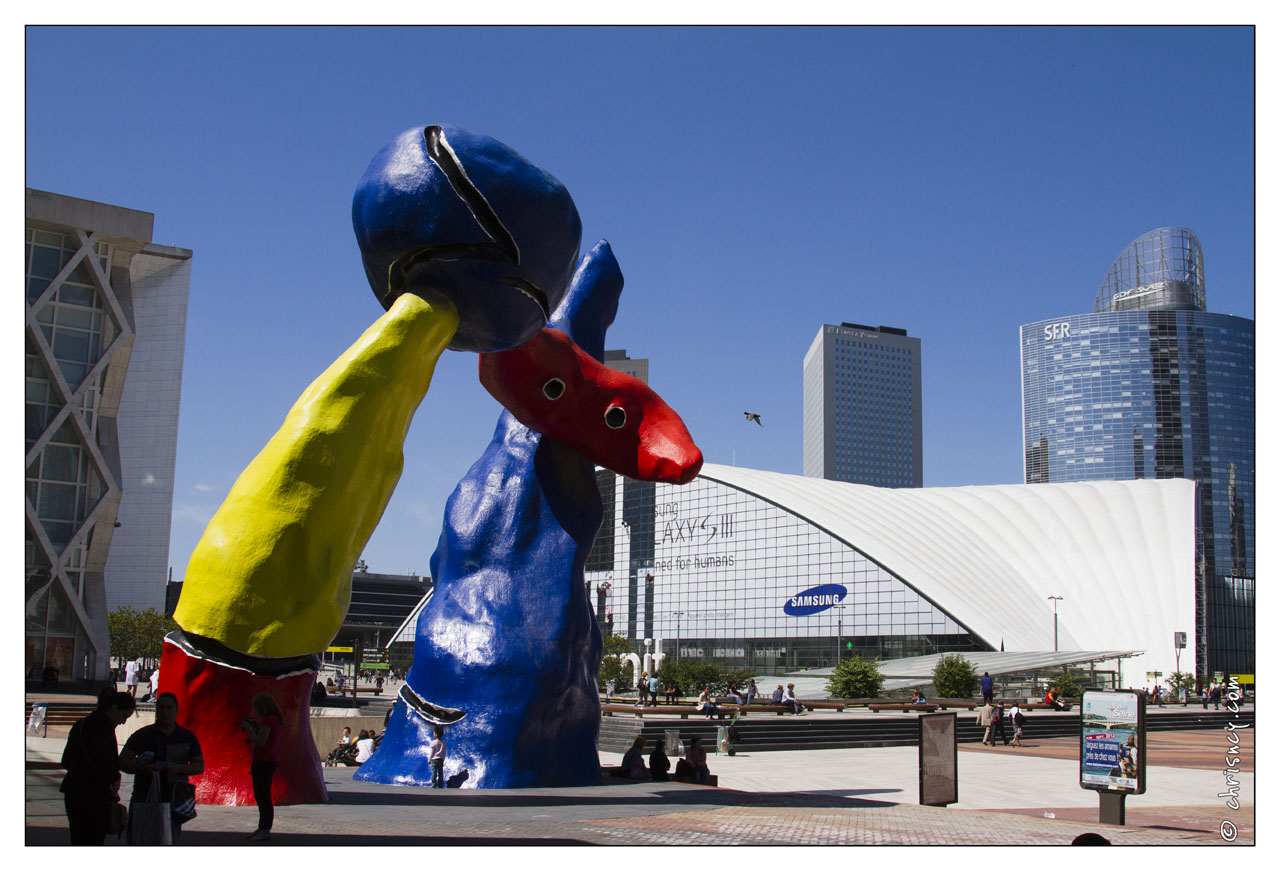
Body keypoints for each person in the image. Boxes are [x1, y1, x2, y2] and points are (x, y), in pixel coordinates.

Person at [119, 692, 204, 844]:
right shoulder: (143, 735)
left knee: (169, 840)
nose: (165, 712)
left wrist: (178, 768)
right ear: (156, 710)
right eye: (161, 708)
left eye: (169, 708)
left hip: (174, 800)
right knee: (139, 840)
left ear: (176, 710)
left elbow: (198, 766)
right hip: (144, 796)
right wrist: (142, 768)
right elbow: (123, 760)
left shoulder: (186, 737)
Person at [60, 691, 135, 844]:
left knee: (78, 838)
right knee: (93, 838)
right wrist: (114, 776)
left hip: (73, 790)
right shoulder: (104, 728)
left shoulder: (80, 725)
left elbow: (66, 760)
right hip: (95, 795)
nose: (123, 722)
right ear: (114, 708)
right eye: (124, 716)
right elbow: (101, 759)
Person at [240, 692, 283, 841]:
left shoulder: (268, 721)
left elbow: (260, 742)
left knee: (262, 796)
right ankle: (262, 827)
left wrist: (251, 730)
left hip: (264, 760)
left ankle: (265, 829)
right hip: (267, 759)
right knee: (262, 795)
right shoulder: (273, 720)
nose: (256, 710)